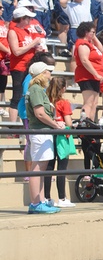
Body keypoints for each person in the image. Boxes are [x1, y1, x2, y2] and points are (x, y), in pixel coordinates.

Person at [25, 61, 61, 214]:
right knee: (38, 168)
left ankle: (40, 201)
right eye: (48, 71)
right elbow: (40, 113)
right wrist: (55, 125)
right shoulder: (36, 90)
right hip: (40, 132)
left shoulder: (37, 89)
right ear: (41, 74)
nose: (50, 75)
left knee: (41, 168)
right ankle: (35, 203)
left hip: (43, 132)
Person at [43, 76, 75, 208]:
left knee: (49, 167)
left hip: (49, 135)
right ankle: (62, 198)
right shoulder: (64, 102)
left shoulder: (46, 100)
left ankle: (46, 197)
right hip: (62, 136)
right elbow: (68, 122)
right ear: (63, 88)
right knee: (61, 168)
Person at [71, 22, 102, 120]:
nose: (94, 34)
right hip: (87, 76)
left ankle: (91, 124)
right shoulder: (82, 44)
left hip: (94, 76)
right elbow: (84, 60)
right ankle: (84, 124)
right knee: (88, 102)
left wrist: (93, 37)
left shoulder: (90, 43)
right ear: (86, 32)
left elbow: (101, 49)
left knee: (94, 103)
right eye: (92, 32)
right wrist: (96, 74)